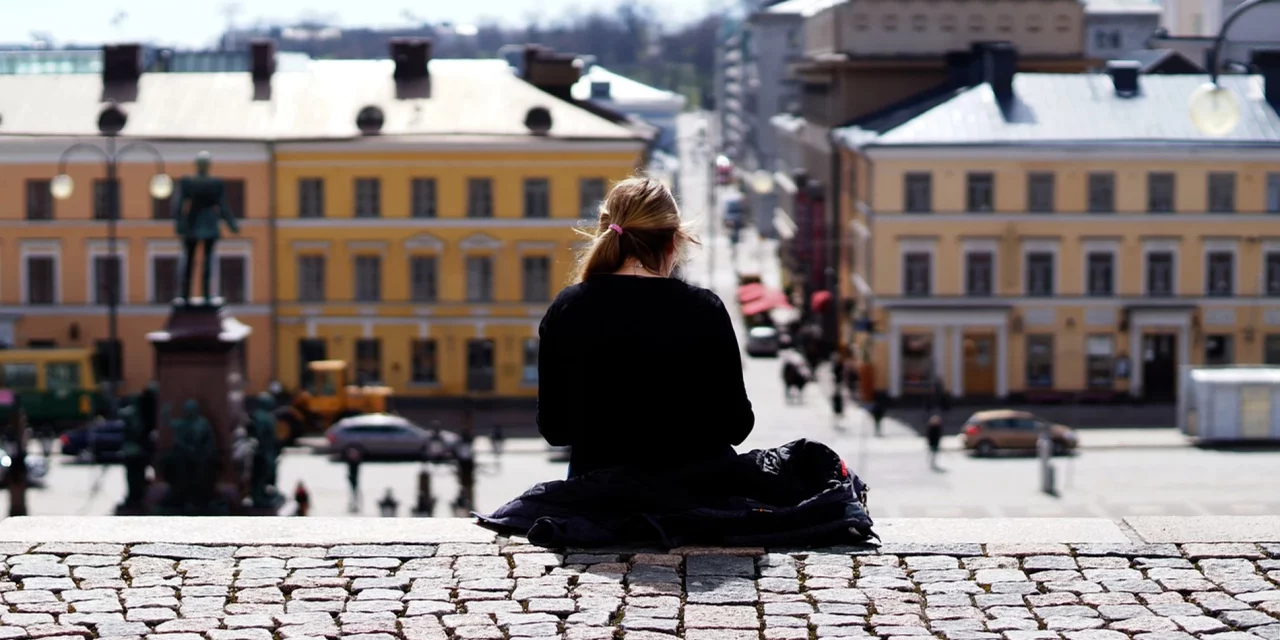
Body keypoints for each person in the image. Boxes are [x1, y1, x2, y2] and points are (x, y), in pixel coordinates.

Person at [536, 177, 755, 479]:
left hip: (599, 505)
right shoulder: (705, 310)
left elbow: (555, 430)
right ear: (673, 241)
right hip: (693, 506)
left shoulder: (568, 308)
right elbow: (737, 426)